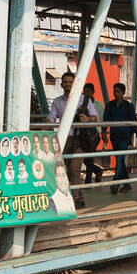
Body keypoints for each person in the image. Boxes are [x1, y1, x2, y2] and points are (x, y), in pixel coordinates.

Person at [48, 72, 93, 208]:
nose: (67, 84)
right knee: (66, 169)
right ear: (61, 84)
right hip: (65, 139)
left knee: (74, 169)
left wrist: (88, 119)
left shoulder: (84, 99)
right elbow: (50, 119)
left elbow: (96, 117)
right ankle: (75, 198)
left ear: (74, 84)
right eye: (65, 82)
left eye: (70, 82)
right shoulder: (57, 102)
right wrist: (41, 128)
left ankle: (77, 199)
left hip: (80, 139)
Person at [102, 81, 137, 192]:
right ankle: (127, 185)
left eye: (118, 91)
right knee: (120, 160)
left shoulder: (128, 106)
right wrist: (103, 133)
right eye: (114, 91)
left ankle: (115, 182)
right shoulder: (109, 106)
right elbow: (105, 121)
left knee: (119, 159)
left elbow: (134, 121)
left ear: (123, 93)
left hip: (125, 136)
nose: (115, 93)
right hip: (114, 136)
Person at [78, 82, 105, 186]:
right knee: (86, 158)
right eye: (85, 92)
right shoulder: (81, 103)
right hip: (84, 134)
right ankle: (97, 170)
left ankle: (88, 180)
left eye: (88, 92)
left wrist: (103, 133)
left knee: (88, 157)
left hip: (95, 134)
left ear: (93, 92)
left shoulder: (99, 105)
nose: (86, 94)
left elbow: (101, 120)